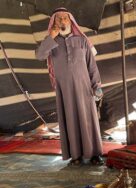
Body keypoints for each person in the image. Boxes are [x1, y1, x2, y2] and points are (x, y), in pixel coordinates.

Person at [35, 7, 104, 165]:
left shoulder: (82, 40)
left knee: (89, 120)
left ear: (70, 20)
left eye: (65, 18)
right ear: (54, 22)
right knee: (70, 120)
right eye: (58, 19)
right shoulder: (51, 42)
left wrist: (97, 85)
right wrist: (50, 37)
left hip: (84, 87)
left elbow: (91, 65)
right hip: (64, 90)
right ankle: (76, 156)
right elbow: (40, 56)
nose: (62, 21)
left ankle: (94, 154)